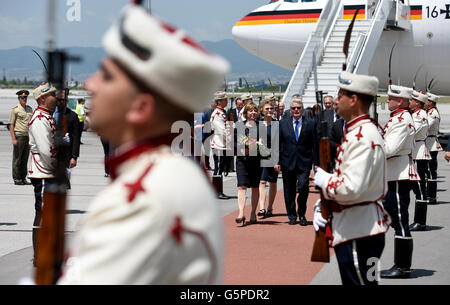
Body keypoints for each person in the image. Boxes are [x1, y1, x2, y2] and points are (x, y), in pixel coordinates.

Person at [57, 5, 229, 284]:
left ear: (141, 107)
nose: (90, 84)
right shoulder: (169, 174)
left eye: (107, 76)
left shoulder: (141, 197)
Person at [313, 72, 390, 285]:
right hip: (360, 226)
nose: (336, 101)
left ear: (354, 100)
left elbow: (351, 188)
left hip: (358, 231)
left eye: (340, 95)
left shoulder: (362, 136)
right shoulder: (360, 131)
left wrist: (324, 180)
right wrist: (323, 205)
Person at [379, 85, 418, 278]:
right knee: (397, 219)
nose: (387, 101)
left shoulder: (402, 120)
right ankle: (401, 265)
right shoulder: (399, 117)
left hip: (398, 174)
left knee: (400, 220)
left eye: (390, 98)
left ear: (400, 101)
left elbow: (388, 149)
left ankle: (403, 267)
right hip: (394, 173)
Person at [27, 82, 58, 265]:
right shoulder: (40, 118)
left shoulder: (46, 115)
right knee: (42, 212)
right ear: (43, 98)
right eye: (52, 94)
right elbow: (46, 150)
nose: (56, 97)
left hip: (47, 170)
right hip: (43, 171)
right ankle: (39, 255)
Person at [275, 97, 319, 226]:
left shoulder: (310, 123)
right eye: (293, 108)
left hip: (304, 162)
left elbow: (315, 145)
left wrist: (316, 163)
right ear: (290, 110)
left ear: (302, 109)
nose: (296, 110)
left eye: (298, 108)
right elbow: (278, 144)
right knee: (289, 191)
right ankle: (292, 215)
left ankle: (302, 213)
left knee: (303, 187)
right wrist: (276, 161)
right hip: (287, 161)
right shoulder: (283, 123)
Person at [235, 103, 262, 225]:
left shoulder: (261, 126)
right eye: (250, 111)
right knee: (241, 186)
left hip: (256, 161)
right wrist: (240, 148)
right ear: (246, 113)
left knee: (255, 187)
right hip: (242, 160)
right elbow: (233, 141)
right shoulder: (239, 125)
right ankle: (241, 212)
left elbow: (266, 143)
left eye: (255, 111)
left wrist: (257, 145)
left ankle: (252, 212)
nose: (253, 113)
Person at [409, 90, 431, 224]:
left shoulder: (419, 114)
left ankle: (420, 221)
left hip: (418, 150)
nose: (409, 101)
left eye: (411, 100)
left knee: (420, 188)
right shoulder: (417, 113)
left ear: (417, 102)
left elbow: (412, 131)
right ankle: (419, 221)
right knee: (418, 187)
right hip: (416, 149)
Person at [54, 90, 81, 185]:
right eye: (59, 100)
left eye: (64, 100)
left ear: (67, 101)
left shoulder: (73, 116)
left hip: (65, 154)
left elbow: (76, 138)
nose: (61, 102)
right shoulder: (50, 114)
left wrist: (74, 157)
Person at [257, 99, 278, 218]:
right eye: (267, 109)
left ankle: (270, 207)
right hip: (261, 157)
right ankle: (262, 208)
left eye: (271, 108)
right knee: (262, 181)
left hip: (274, 157)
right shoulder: (257, 124)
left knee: (273, 182)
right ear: (262, 111)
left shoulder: (277, 124)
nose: (270, 111)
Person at [210, 92, 233, 199]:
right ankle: (216, 191)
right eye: (225, 100)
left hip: (222, 144)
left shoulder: (221, 112)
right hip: (219, 144)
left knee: (220, 168)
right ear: (219, 101)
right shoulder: (217, 114)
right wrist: (231, 140)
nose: (227, 101)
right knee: (218, 168)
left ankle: (218, 191)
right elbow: (222, 131)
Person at [9, 89, 33, 185]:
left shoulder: (29, 109)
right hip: (19, 136)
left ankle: (23, 178)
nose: (24, 99)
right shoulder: (15, 110)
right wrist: (13, 138)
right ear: (19, 98)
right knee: (17, 159)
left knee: (25, 158)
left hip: (28, 136)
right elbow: (11, 125)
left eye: (26, 97)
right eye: (22, 97)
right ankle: (17, 178)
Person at [424, 92, 443, 205]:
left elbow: (425, 127)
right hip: (428, 143)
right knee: (428, 171)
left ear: (430, 102)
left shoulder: (433, 113)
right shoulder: (429, 112)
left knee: (431, 172)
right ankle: (429, 195)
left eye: (426, 101)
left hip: (431, 144)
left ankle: (432, 197)